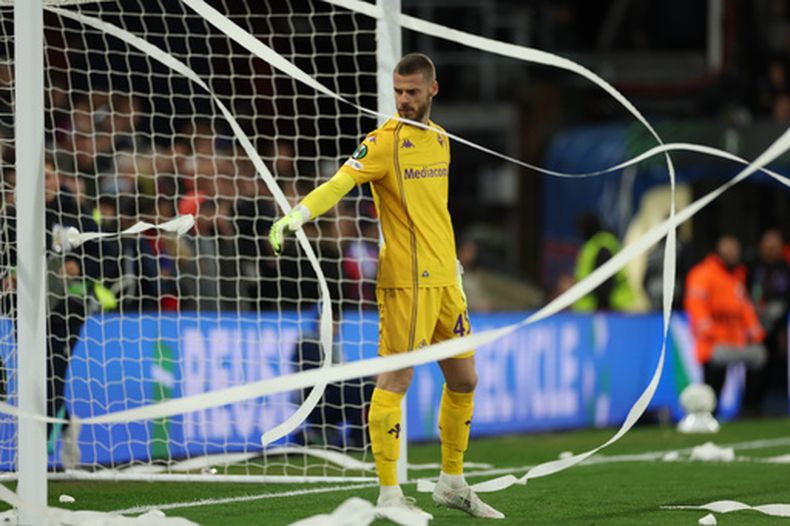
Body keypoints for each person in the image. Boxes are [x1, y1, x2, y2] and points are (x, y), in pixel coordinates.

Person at [268, 53, 503, 519]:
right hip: (405, 281)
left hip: (445, 280)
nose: (403, 100)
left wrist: (453, 261)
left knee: (465, 378)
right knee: (395, 380)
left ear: (433, 90)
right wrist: (299, 214)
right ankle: (390, 494)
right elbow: (338, 184)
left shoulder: (439, 140)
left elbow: (437, 210)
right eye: (398, 91)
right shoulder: (382, 142)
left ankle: (452, 483)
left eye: (412, 92)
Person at [684, 234, 767, 415]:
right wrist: (712, 334)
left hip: (737, 341)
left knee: (759, 356)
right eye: (729, 250)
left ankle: (751, 410)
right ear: (719, 251)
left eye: (735, 250)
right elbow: (697, 307)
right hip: (714, 342)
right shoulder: (703, 274)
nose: (733, 254)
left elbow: (746, 309)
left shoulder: (737, 277)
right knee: (715, 375)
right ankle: (707, 414)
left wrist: (756, 334)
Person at [747, 228, 789, 413]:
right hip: (755, 326)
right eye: (768, 245)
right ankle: (752, 406)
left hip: (780, 327)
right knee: (756, 367)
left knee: (779, 365)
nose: (771, 250)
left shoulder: (785, 268)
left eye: (775, 246)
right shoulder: (752, 267)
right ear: (761, 246)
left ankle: (778, 407)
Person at [572, 212, 636, 312]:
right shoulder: (595, 244)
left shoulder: (602, 246)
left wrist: (602, 310)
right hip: (599, 312)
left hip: (611, 311)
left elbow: (604, 283)